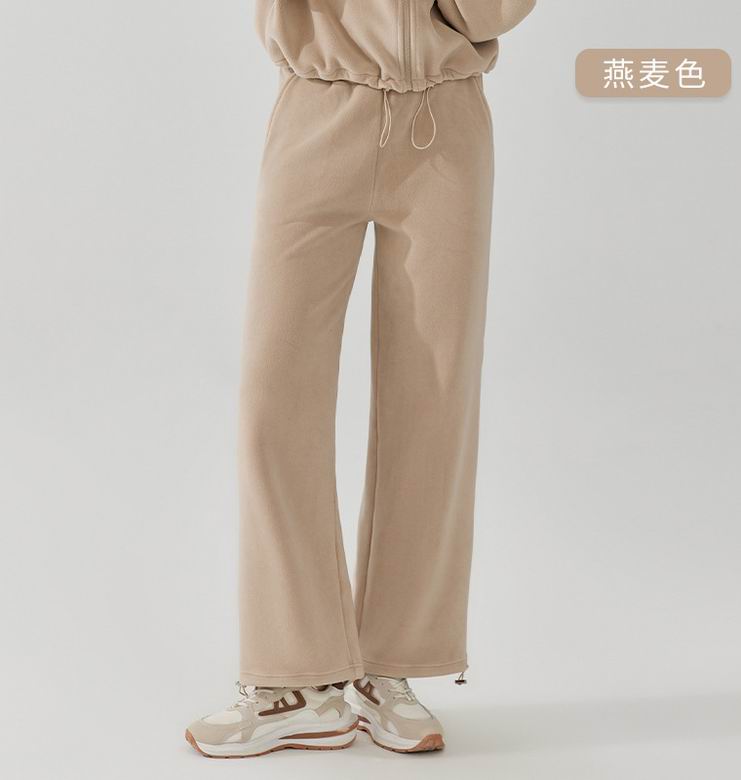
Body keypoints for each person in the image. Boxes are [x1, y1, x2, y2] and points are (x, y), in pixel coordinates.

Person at [185, 0, 537, 758]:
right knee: (273, 401)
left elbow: (491, 12)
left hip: (444, 125)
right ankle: (295, 680)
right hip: (318, 106)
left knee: (433, 399)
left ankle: (391, 665)